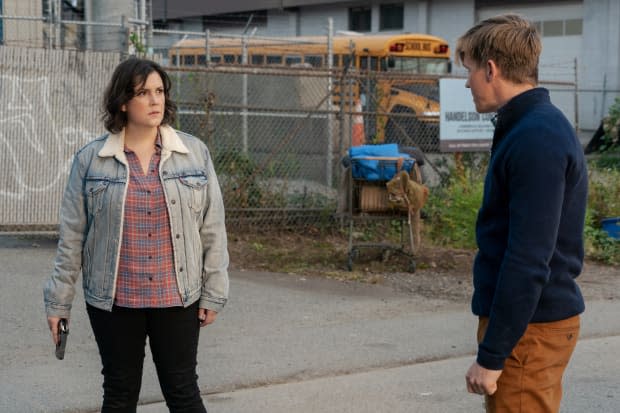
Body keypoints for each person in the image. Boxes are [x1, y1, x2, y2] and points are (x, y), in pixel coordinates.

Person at [43, 57, 229, 412]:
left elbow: (213, 228)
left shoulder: (193, 155)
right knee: (119, 393)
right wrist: (59, 302)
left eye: (160, 91)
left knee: (183, 391)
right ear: (123, 102)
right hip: (115, 300)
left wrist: (214, 291)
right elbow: (71, 239)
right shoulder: (91, 161)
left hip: (177, 297)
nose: (155, 100)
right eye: (144, 93)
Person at [455, 14, 588, 412]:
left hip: (530, 331)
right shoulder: (527, 127)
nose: (467, 83)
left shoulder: (536, 137)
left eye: (469, 70)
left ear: (491, 69)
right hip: (526, 326)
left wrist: (493, 355)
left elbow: (529, 258)